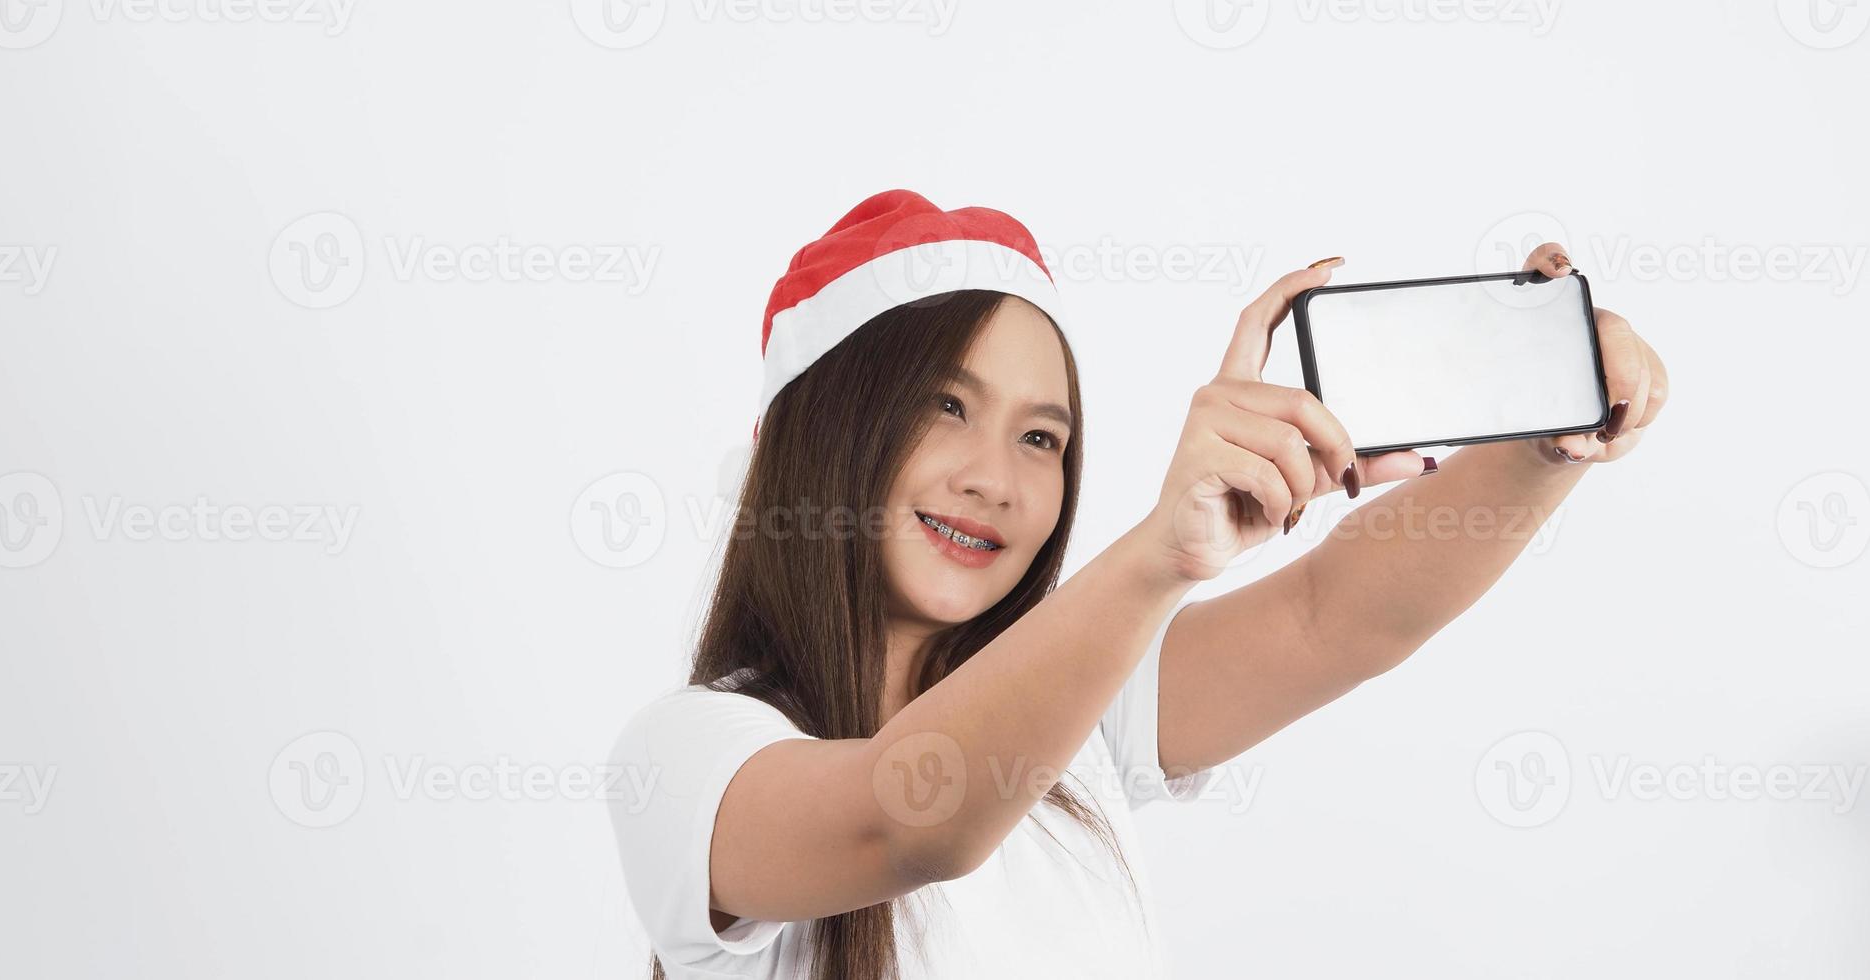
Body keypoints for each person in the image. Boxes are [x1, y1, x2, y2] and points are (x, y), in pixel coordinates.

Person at [605, 190, 1669, 979]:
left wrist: (1549, 431)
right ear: (822, 430)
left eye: (1040, 436)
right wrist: (1163, 548)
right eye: (942, 406)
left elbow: (1334, 613)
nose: (996, 478)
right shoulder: (688, 754)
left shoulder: (1077, 719)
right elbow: (906, 816)